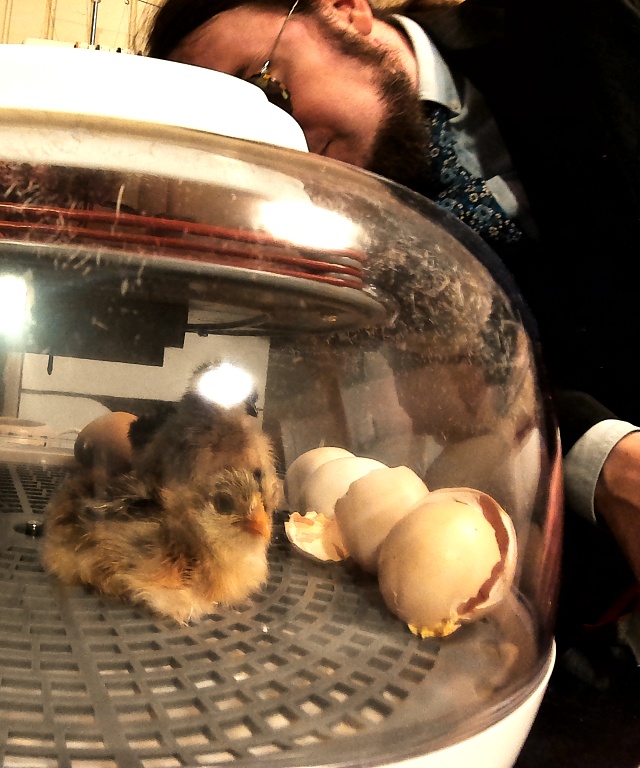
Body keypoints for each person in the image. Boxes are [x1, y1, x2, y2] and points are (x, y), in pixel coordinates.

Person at [145, 0, 640, 633]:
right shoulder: (342, 248)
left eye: (267, 90)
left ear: (343, 10)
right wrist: (607, 458)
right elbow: (476, 399)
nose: (283, 148)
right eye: (245, 144)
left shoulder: (576, 34)